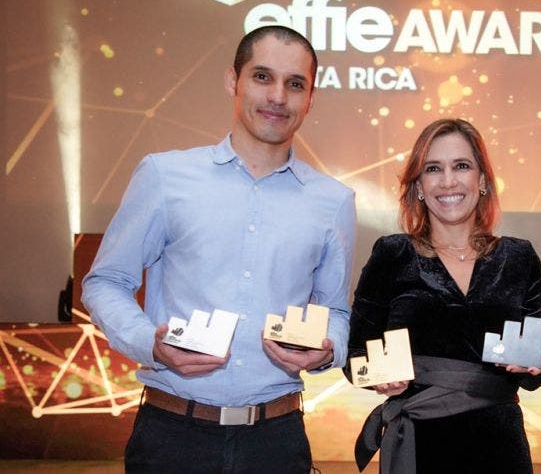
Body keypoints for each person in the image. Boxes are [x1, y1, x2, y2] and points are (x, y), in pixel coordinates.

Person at [82, 25, 356, 473]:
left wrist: (328, 351)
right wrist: (148, 344)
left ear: (311, 97)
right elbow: (106, 281)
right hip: (172, 435)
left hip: (278, 440)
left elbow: (336, 312)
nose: (277, 97)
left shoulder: (333, 201)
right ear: (234, 80)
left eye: (295, 84)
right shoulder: (165, 176)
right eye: (262, 77)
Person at [346, 118, 541, 473]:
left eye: (462, 166)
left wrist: (536, 364)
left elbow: (538, 366)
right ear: (419, 186)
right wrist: (377, 375)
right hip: (420, 444)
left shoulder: (519, 257)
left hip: (500, 447)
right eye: (433, 169)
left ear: (482, 180)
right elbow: (355, 356)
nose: (448, 181)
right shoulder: (392, 254)